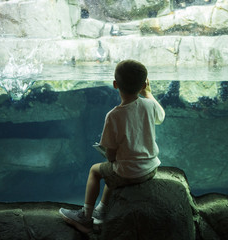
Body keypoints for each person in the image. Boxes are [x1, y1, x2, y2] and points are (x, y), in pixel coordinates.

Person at [59, 59, 165, 233]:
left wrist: (110, 156)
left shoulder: (114, 116)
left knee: (96, 170)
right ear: (144, 84)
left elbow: (111, 155)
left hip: (130, 172)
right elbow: (161, 116)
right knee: (113, 170)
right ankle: (101, 211)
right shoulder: (149, 105)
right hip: (151, 169)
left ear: (115, 84)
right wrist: (148, 93)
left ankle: (85, 216)